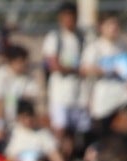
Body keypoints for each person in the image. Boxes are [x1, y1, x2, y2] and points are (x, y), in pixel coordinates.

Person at [43, 2, 90, 133]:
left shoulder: (82, 38)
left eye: (72, 16)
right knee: (61, 129)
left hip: (79, 93)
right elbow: (54, 65)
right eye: (66, 16)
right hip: (60, 93)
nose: (69, 20)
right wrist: (76, 70)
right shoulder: (54, 38)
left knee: (81, 131)